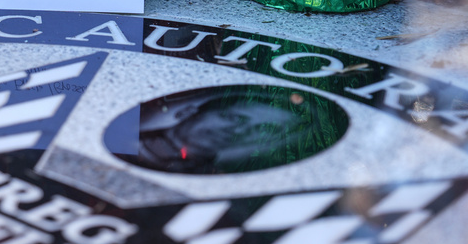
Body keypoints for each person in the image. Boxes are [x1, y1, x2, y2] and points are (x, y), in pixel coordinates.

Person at [104, 85, 349, 174]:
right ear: (189, 112)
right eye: (233, 117)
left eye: (263, 129)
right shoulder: (116, 143)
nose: (237, 132)